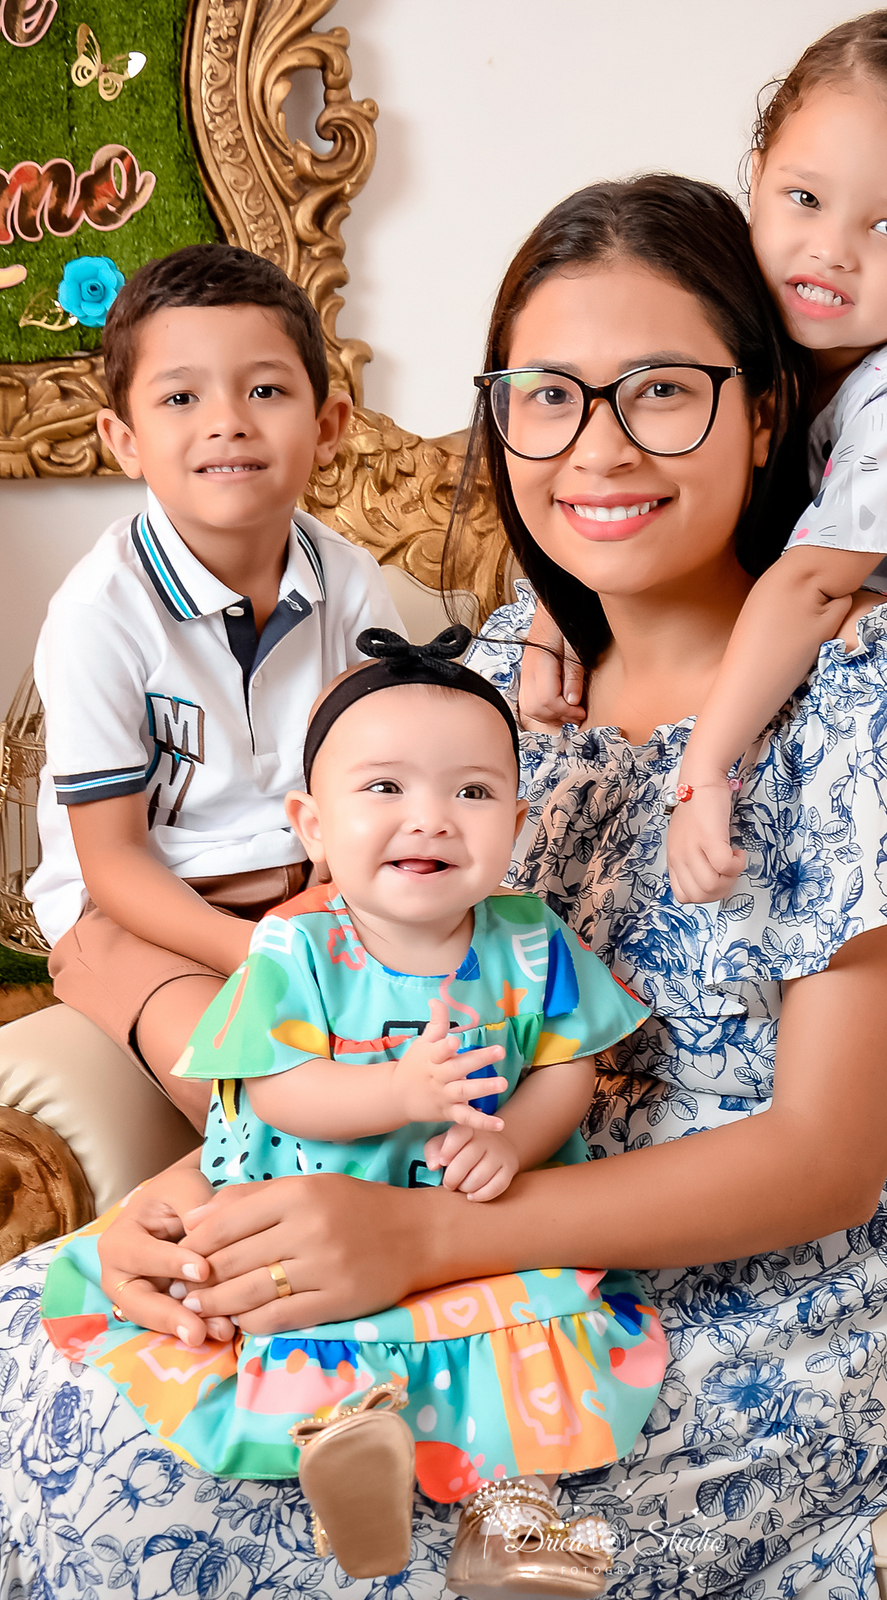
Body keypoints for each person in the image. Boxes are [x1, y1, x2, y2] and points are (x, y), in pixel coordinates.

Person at [0, 173, 887, 1600]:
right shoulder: (496, 689)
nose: (597, 449)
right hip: (464, 1230)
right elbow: (364, 1030)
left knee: (150, 1498)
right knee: (41, 1342)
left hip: (757, 1316)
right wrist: (197, 1214)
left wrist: (425, 1236)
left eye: (662, 392)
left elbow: (829, 1160)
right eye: (547, 397)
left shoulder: (881, 691)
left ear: (763, 415)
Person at [518, 4, 887, 1156]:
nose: (830, 250)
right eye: (805, 200)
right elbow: (616, 505)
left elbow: (813, 589)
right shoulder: (763, 339)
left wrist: (707, 767)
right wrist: (555, 611)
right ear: (756, 182)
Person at [40, 629, 661, 1593]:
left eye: (473, 792)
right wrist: (397, 1093)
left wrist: (520, 1144)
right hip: (314, 1209)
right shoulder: (297, 950)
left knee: (524, 1334)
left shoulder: (530, 940)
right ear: (313, 826)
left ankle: (509, 1528)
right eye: (385, 789)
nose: (433, 820)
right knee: (296, 1325)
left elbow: (568, 1065)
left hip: (475, 1223)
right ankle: (348, 1459)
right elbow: (272, 1086)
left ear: (518, 820)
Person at [26, 243, 403, 1129]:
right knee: (250, 1088)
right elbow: (112, 860)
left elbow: (369, 777)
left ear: (330, 424)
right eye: (180, 397)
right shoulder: (99, 611)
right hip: (140, 911)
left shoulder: (349, 581)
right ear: (123, 440)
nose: (227, 421)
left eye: (266, 390)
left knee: (443, 1027)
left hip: (311, 882)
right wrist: (259, 949)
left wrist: (330, 910)